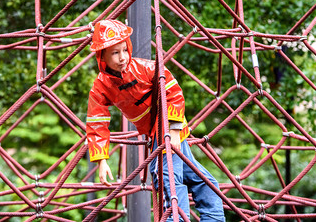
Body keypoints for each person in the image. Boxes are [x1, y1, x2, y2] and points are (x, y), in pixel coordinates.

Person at [86, 19, 225, 221]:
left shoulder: (145, 68)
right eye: (115, 53)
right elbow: (97, 121)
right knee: (199, 180)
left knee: (168, 176)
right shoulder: (101, 86)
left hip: (167, 126)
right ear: (102, 55)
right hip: (155, 133)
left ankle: (186, 219)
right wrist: (101, 159)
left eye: (125, 50)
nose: (123, 57)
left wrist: (174, 130)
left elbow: (174, 92)